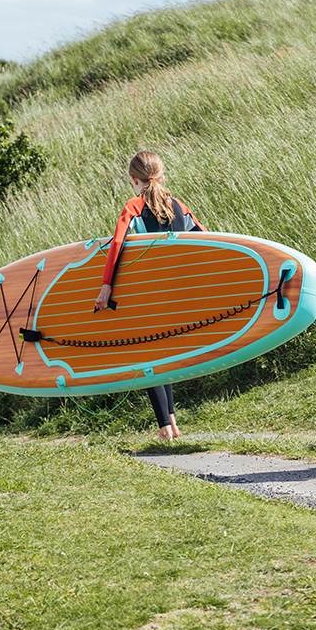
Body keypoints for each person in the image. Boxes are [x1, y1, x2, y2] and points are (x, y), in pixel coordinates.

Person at [95, 151, 206, 441]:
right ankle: (172, 422)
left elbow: (116, 244)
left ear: (134, 180)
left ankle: (164, 429)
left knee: (147, 355)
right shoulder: (179, 207)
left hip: (147, 295)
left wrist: (106, 286)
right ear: (162, 174)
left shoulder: (134, 206)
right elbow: (207, 239)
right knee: (164, 353)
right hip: (176, 295)